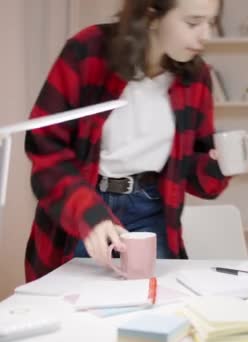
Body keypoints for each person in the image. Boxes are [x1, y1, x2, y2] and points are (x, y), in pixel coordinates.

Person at [24, 0, 228, 281]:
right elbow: (45, 151)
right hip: (86, 206)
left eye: (211, 22)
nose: (206, 35)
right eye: (193, 23)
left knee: (157, 310)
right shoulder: (88, 51)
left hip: (152, 210)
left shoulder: (196, 77)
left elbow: (194, 175)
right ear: (152, 15)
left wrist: (222, 165)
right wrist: (89, 214)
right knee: (75, 313)